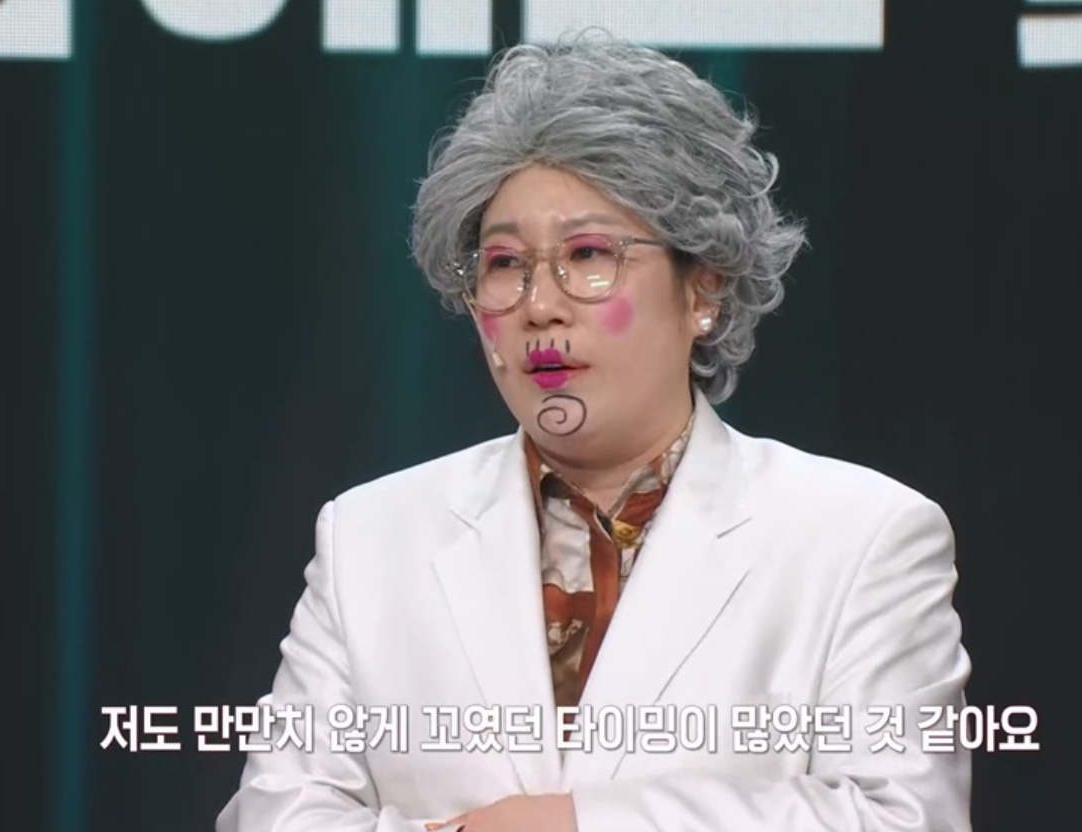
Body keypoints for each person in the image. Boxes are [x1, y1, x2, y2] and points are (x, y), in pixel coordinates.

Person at [216, 34, 971, 832]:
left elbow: (904, 819)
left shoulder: (861, 538)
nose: (540, 305)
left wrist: (577, 824)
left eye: (587, 255)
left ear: (703, 289)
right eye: (504, 265)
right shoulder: (370, 537)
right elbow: (275, 814)